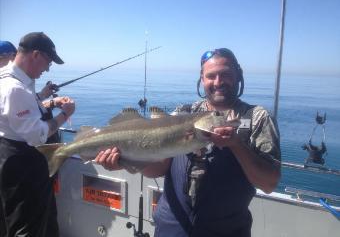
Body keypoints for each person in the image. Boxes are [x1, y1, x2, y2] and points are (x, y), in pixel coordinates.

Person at [95, 48, 281, 237]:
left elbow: (269, 183)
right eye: (211, 76)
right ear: (202, 79)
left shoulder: (258, 118)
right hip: (171, 227)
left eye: (226, 74)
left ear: (238, 75)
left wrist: (236, 144)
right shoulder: (182, 112)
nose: (218, 82)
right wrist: (126, 161)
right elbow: (157, 169)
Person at [0, 32, 76, 237]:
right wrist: (64, 114)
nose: (47, 68)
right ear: (35, 55)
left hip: (18, 162)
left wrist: (48, 101)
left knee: (42, 219)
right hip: (24, 168)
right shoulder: (15, 88)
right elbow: (37, 135)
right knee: (27, 227)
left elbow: (22, 112)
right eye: (48, 62)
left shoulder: (11, 77)